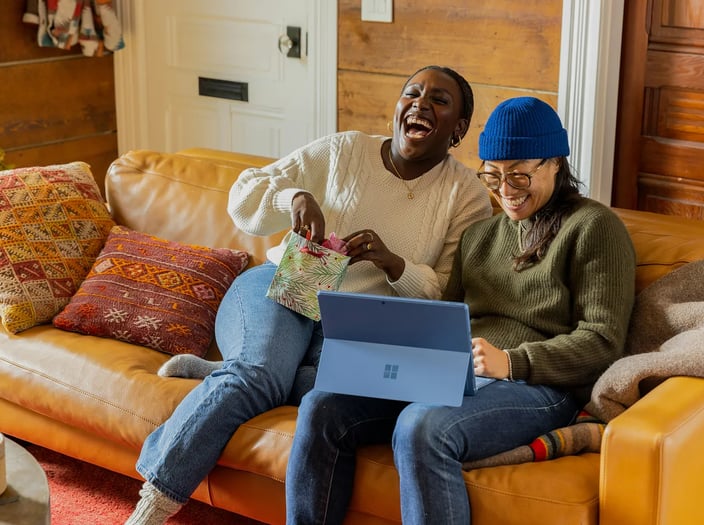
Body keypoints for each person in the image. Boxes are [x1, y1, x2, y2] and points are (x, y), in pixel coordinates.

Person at [124, 65, 493, 525]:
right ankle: (153, 504)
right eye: (412, 94)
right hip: (285, 283)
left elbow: (445, 293)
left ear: (458, 129)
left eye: (439, 100)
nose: (420, 104)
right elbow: (245, 194)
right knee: (260, 375)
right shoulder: (345, 150)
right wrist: (294, 198)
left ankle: (225, 371)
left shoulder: (468, 197)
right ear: (398, 108)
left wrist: (392, 263)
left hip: (360, 322)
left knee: (327, 392)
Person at [284, 96, 637, 524]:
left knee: (422, 426)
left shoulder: (595, 227)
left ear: (555, 164)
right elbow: (445, 321)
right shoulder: (479, 237)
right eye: (493, 175)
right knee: (323, 404)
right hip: (458, 374)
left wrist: (512, 362)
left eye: (520, 176)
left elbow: (602, 341)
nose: (506, 191)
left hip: (540, 385)